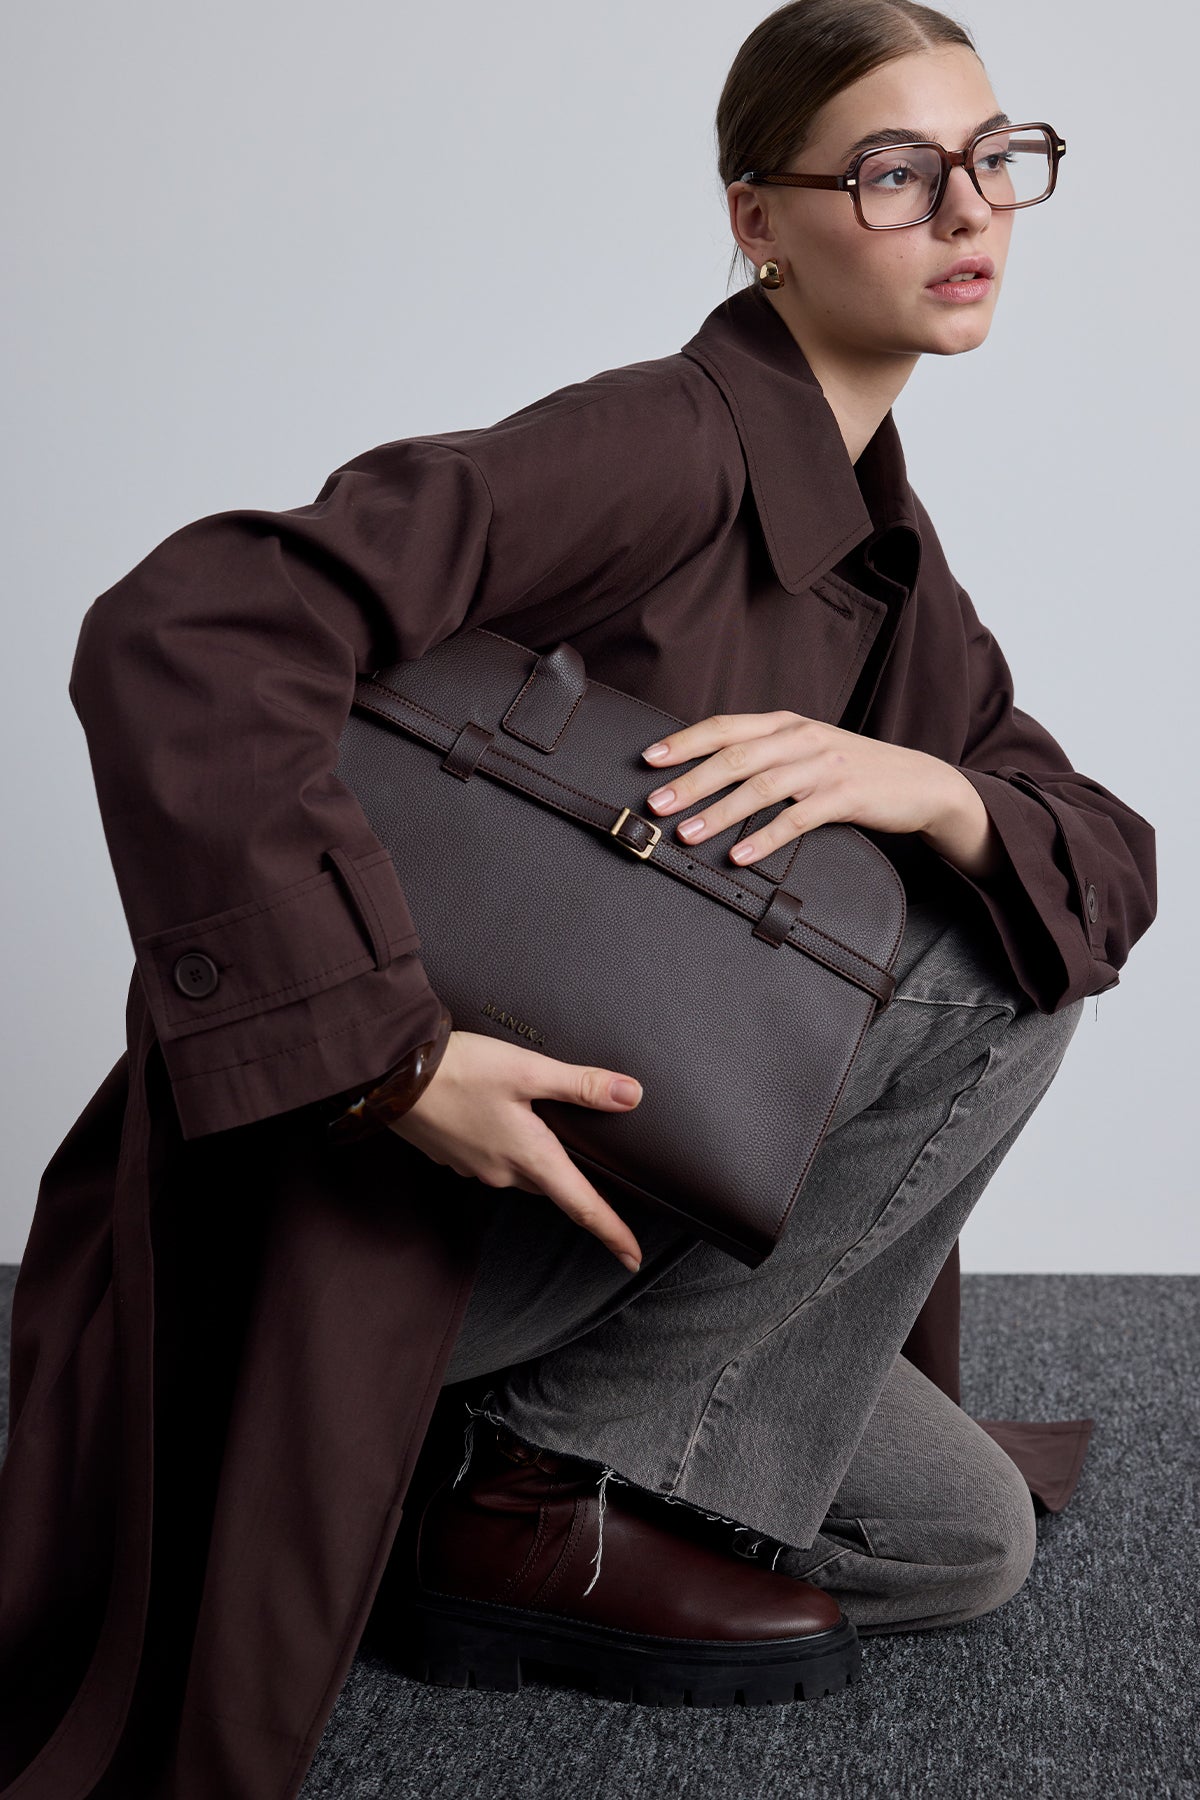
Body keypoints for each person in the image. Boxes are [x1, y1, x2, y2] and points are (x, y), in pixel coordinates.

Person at [0, 1, 1157, 1793]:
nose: (967, 211)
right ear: (759, 221)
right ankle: (523, 1487)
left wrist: (930, 787)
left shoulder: (888, 561)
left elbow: (1104, 852)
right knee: (992, 985)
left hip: (632, 1232)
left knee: (965, 1540)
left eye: (996, 159)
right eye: (894, 169)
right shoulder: (654, 443)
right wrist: (390, 1056)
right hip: (408, 1218)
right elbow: (185, 630)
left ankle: (473, 1481)